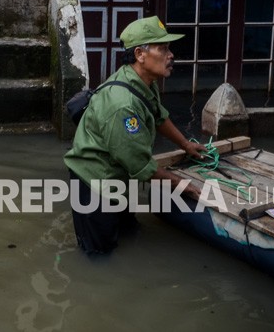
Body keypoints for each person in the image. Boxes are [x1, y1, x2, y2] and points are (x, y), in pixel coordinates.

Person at [64, 15, 206, 255]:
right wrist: (182, 185)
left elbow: (158, 116)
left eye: (169, 48)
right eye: (163, 49)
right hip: (94, 183)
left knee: (129, 232)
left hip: (117, 176)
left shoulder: (143, 82)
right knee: (99, 254)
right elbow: (139, 166)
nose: (170, 55)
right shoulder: (123, 105)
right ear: (140, 54)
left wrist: (185, 144)